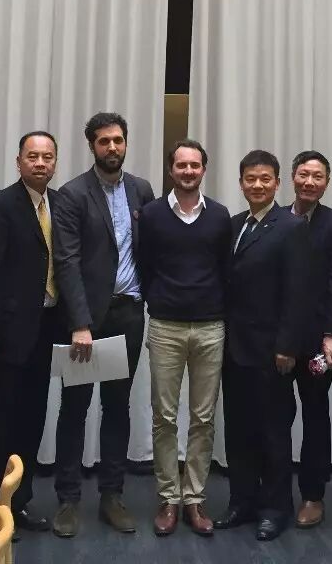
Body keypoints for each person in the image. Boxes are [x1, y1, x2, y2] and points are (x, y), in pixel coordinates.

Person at [50, 112, 155, 537]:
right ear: (91, 145)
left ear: (126, 143)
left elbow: (150, 250)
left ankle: (112, 495)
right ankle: (68, 499)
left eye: (118, 140)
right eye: (104, 141)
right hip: (87, 321)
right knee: (75, 407)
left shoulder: (141, 190)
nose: (112, 147)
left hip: (128, 315)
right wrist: (80, 323)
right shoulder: (73, 194)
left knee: (117, 406)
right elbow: (67, 261)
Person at [135, 140, 230, 537]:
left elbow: (225, 268)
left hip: (210, 326)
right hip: (166, 326)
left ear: (203, 169)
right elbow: (143, 264)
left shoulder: (220, 216)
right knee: (165, 417)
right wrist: (160, 299)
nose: (188, 171)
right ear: (170, 169)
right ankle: (168, 498)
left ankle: (194, 498)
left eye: (195, 165)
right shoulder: (152, 215)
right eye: (181, 165)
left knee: (203, 418)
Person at [215, 150, 310, 543]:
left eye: (265, 179)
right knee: (238, 430)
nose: (257, 185)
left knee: (273, 432)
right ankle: (242, 502)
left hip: (273, 351)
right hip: (234, 348)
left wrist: (287, 346)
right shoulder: (234, 225)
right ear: (241, 183)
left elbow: (298, 293)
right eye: (250, 179)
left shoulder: (291, 226)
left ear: (277, 183)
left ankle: (275, 509)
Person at [0, 131, 65, 533]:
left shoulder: (59, 203)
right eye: (33, 156)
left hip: (46, 329)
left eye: (47, 157)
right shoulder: (1, 205)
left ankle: (21, 501)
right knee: (2, 423)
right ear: (19, 162)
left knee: (32, 419)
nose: (40, 163)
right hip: (8, 334)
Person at [285, 151, 332, 529]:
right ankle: (275, 492)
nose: (309, 182)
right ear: (292, 177)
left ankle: (313, 495)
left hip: (317, 342)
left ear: (326, 182)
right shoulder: (277, 218)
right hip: (278, 341)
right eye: (303, 174)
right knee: (276, 416)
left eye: (317, 176)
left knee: (315, 415)